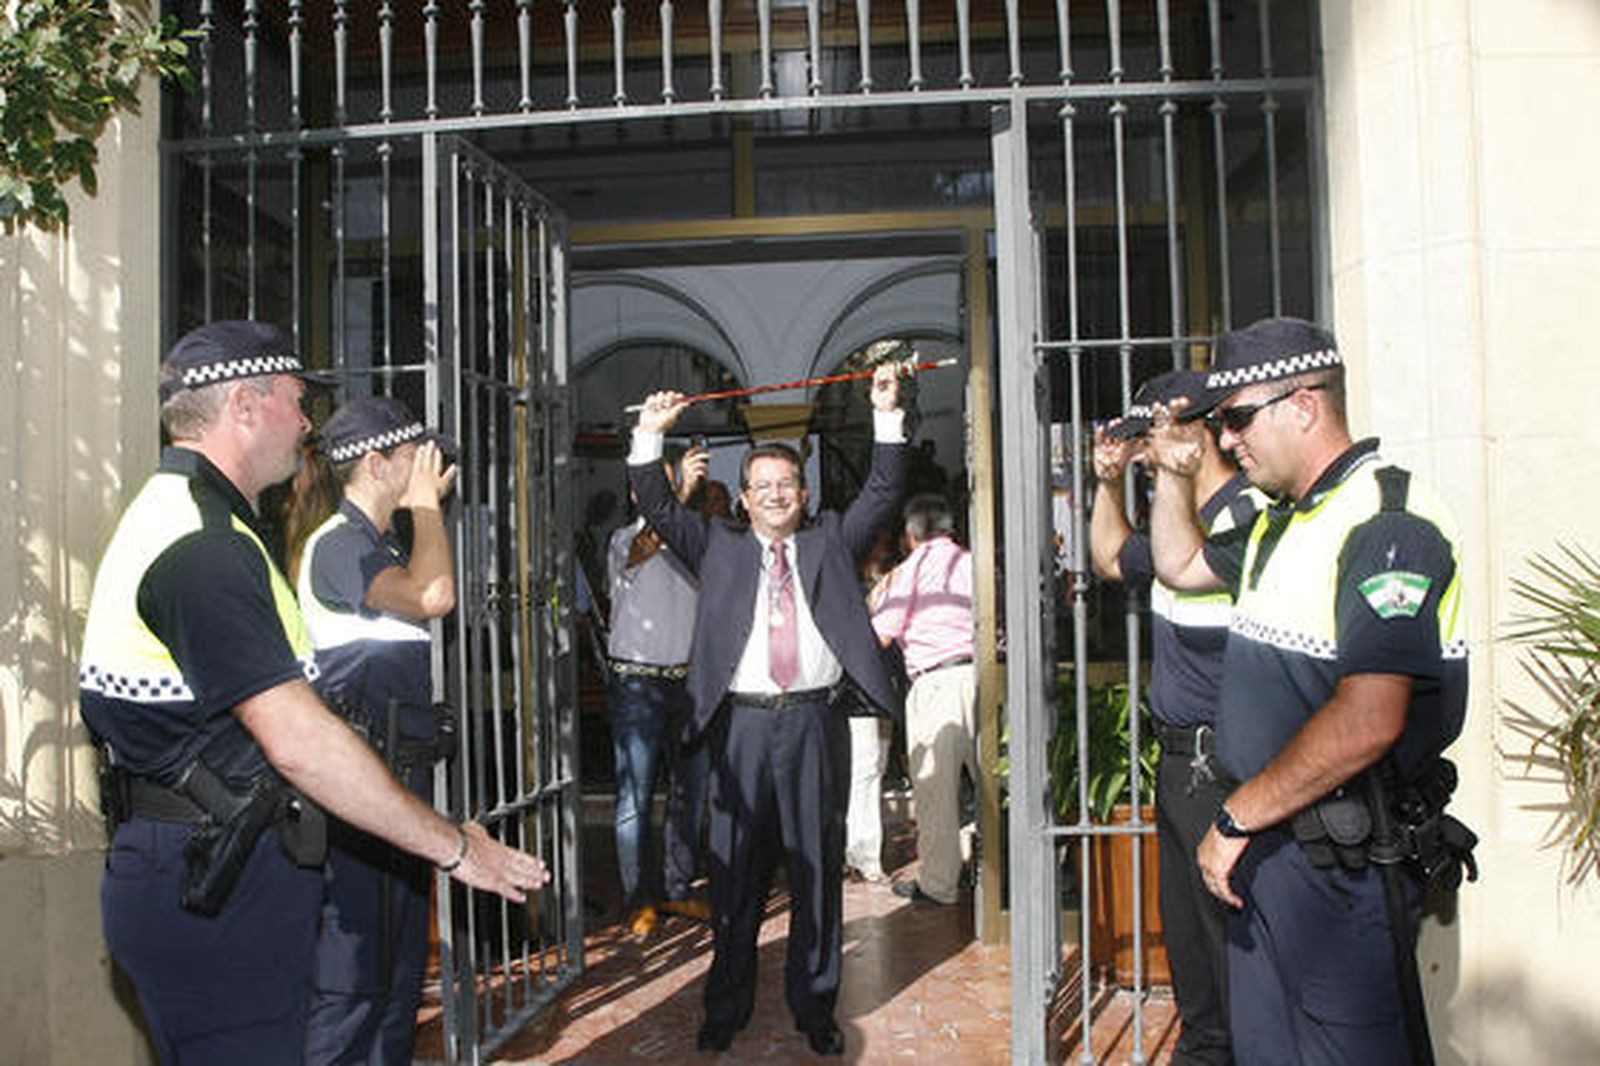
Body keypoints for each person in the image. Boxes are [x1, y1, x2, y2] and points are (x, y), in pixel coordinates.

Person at [77, 321, 547, 1065]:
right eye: (297, 401)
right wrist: (455, 848)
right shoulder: (203, 545)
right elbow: (297, 739)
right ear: (245, 403)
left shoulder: (197, 520)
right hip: (212, 886)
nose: (307, 425)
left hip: (211, 866)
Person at [1145, 317, 1469, 1065]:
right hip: (1271, 856)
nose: (1227, 441)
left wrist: (1234, 819)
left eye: (1237, 418)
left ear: (1305, 404)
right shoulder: (1279, 524)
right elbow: (1179, 564)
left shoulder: (1389, 522)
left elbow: (1368, 718)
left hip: (1340, 866)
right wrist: (1168, 471)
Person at [628, 363, 907, 1058]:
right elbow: (659, 510)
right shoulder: (714, 545)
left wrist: (885, 414)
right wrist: (648, 437)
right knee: (734, 875)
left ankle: (816, 1007)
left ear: (803, 494)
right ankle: (725, 1005)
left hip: (814, 723)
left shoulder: (830, 542)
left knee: (815, 867)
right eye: (762, 486)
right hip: (740, 727)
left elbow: (882, 489)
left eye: (787, 484)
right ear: (745, 499)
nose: (775, 495)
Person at [1089, 368, 1264, 1065]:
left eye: (1153, 435)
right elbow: (1108, 558)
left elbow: (1180, 563)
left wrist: (1169, 478)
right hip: (1179, 762)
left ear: (1196, 431)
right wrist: (1107, 484)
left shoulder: (1250, 515)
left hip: (1226, 761)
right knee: (1192, 945)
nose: (1142, 452)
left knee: (1231, 947)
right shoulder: (1178, 507)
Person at [284, 395, 460, 1065]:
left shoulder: (376, 545)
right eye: (415, 457)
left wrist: (419, 512)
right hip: (357, 798)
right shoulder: (339, 546)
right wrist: (429, 508)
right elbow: (432, 597)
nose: (428, 469)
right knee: (352, 989)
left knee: (396, 983)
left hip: (395, 789)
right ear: (375, 462)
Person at [605, 444, 713, 938]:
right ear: (639, 491)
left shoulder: (695, 541)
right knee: (636, 796)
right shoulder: (625, 540)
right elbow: (648, 545)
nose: (669, 495)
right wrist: (682, 492)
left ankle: (676, 888)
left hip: (687, 681)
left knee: (689, 795)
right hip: (636, 681)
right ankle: (635, 898)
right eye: (659, 486)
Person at [870, 494, 977, 907]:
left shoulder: (908, 571)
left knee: (935, 790)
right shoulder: (975, 562)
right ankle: (1002, 876)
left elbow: (882, 633)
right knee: (994, 787)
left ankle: (938, 883)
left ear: (911, 536)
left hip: (937, 684)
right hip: (986, 675)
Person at [843, 528, 902, 885]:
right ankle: (861, 854)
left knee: (874, 770)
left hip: (884, 691)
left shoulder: (896, 582)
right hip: (858, 695)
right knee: (862, 772)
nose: (885, 545)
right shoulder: (848, 588)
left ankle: (864, 853)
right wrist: (874, 599)